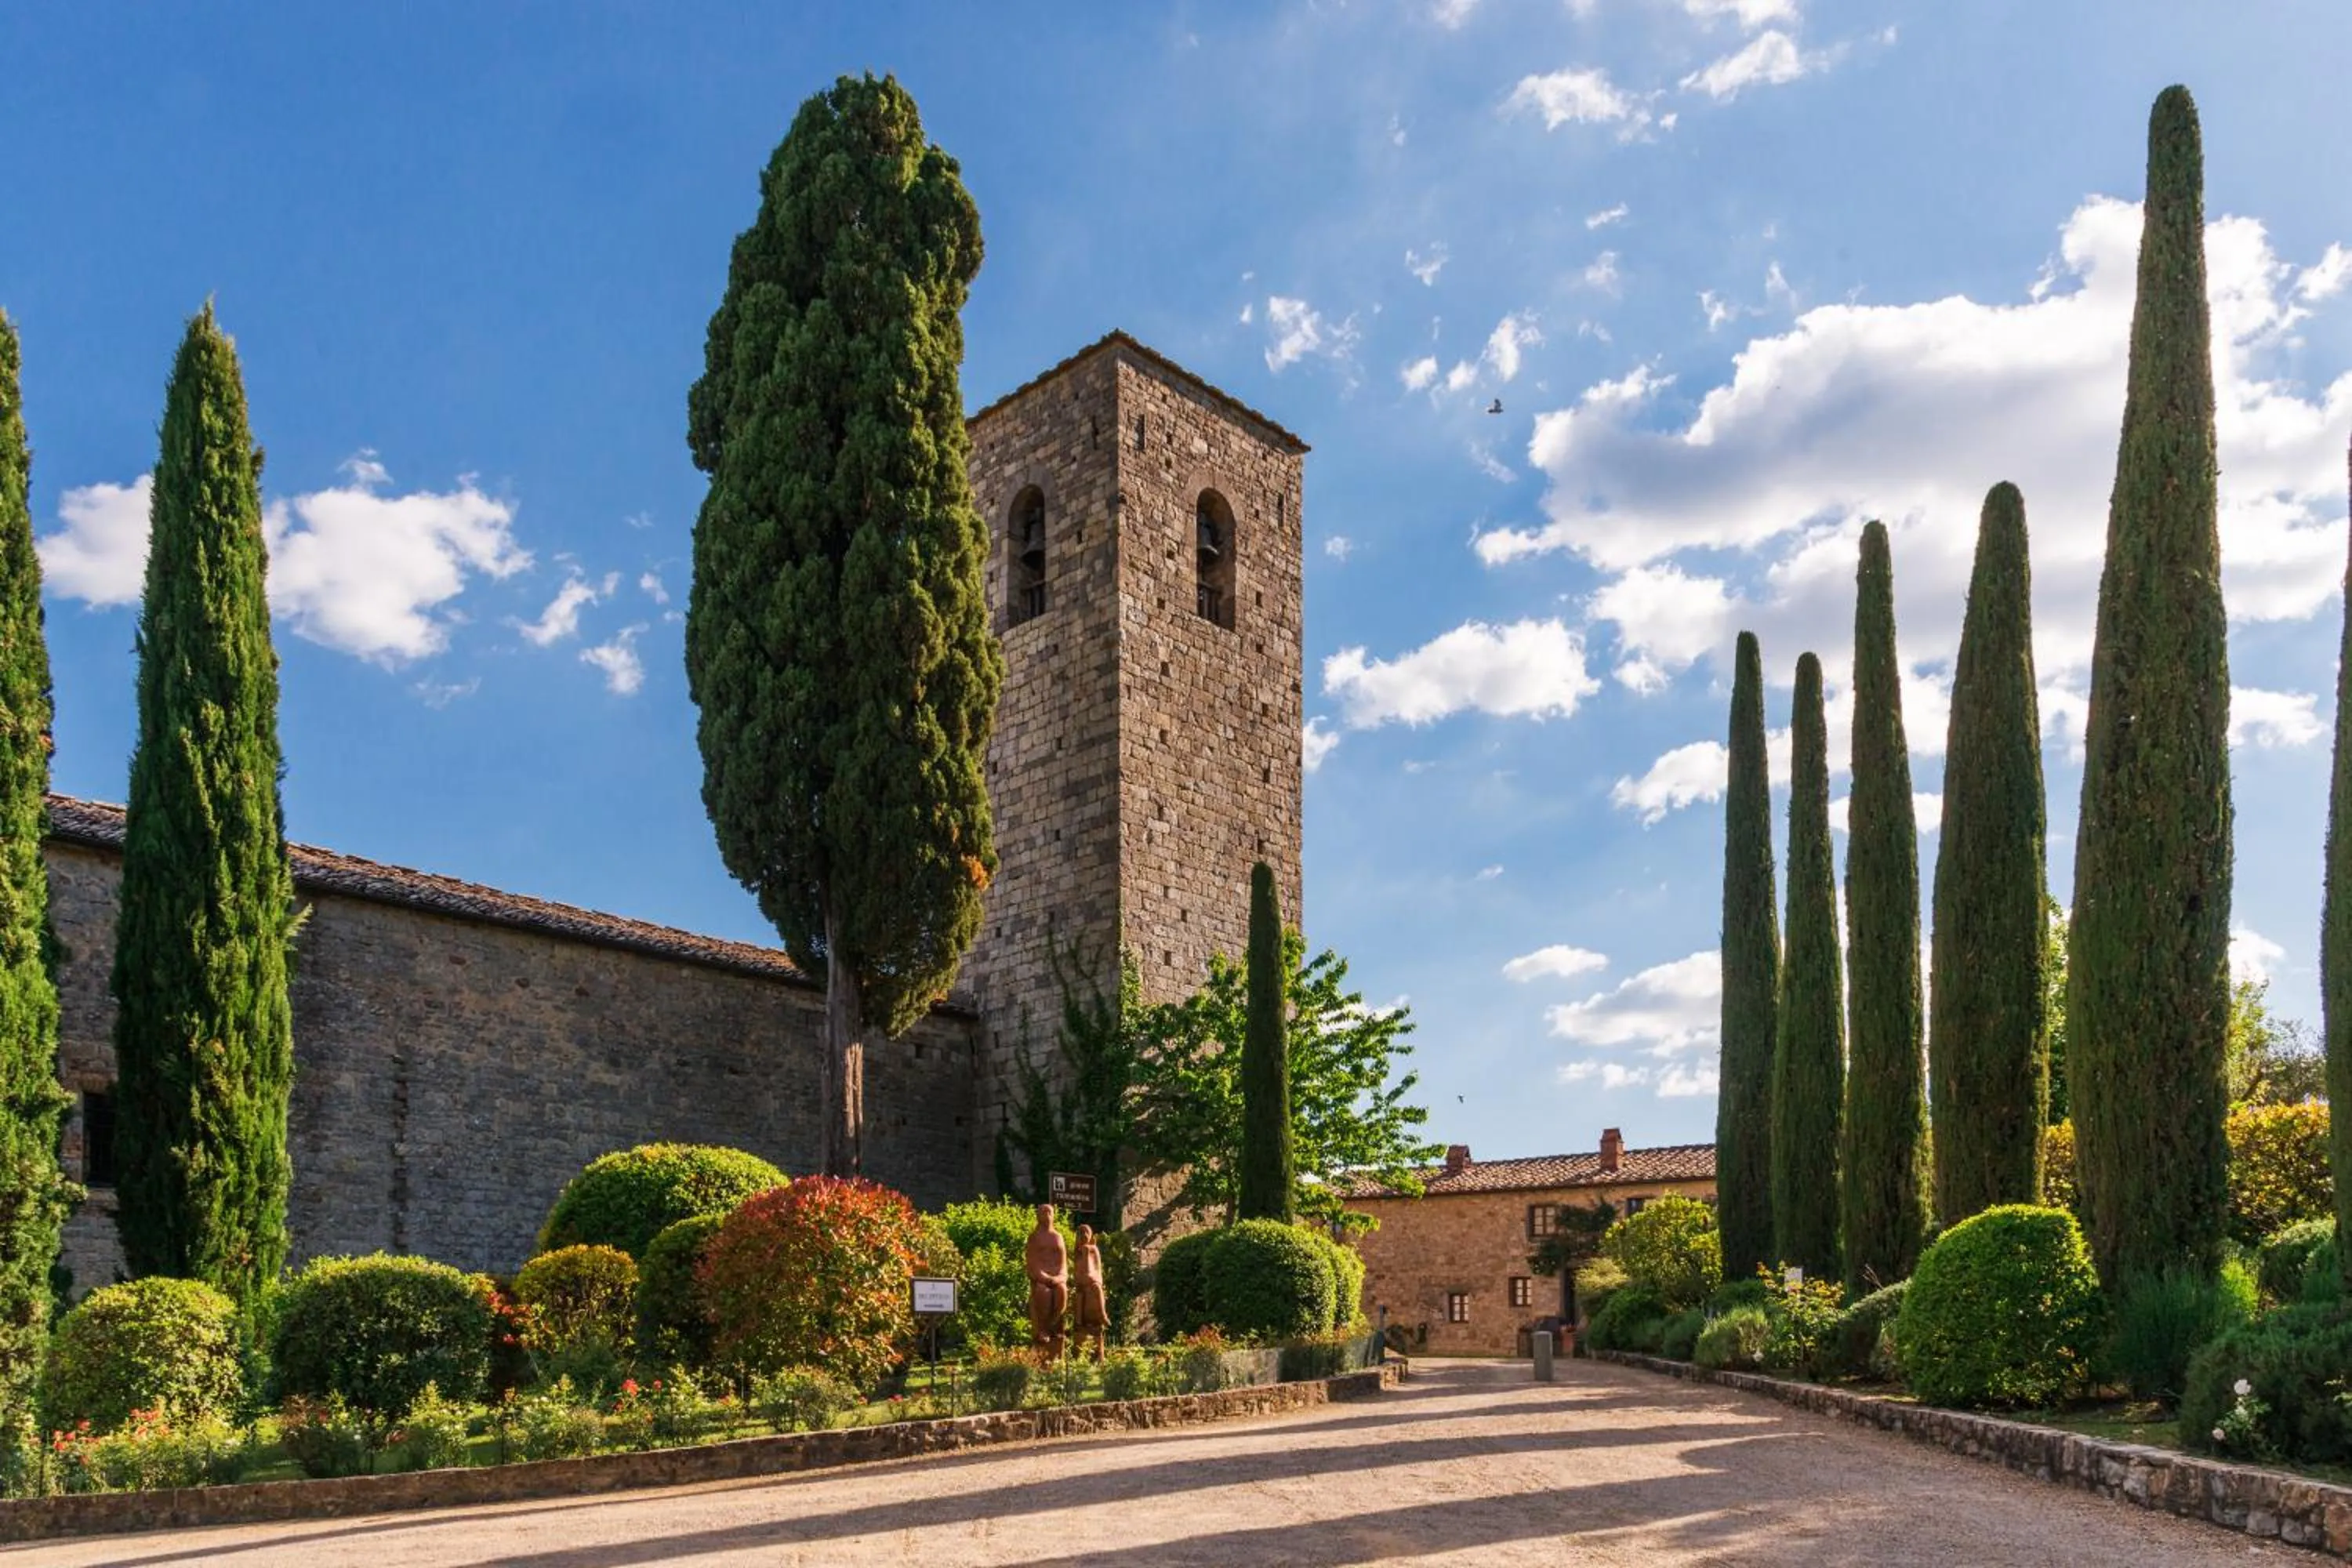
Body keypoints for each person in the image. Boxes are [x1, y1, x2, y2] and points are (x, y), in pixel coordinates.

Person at [1025, 1202, 1069, 1359]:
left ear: (1053, 1216)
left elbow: (1064, 1264)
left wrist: (1060, 1277)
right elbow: (1032, 1263)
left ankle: (1055, 1327)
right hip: (1041, 1279)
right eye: (1043, 1212)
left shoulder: (1058, 1237)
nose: (1046, 1215)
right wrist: (1044, 1277)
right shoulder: (1034, 1238)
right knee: (1042, 1292)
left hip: (1057, 1278)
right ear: (1038, 1216)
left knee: (1062, 1292)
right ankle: (1042, 1329)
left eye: (1049, 1212)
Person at [1072, 1222, 1110, 1363]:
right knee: (1079, 1295)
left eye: (1086, 1232)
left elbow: (1096, 1269)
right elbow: (1077, 1271)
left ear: (1091, 1235)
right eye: (1080, 1233)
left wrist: (1087, 1251)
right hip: (1082, 1283)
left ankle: (1102, 1315)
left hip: (1094, 1281)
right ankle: (1079, 1322)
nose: (1083, 1236)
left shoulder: (1093, 1249)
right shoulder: (1077, 1253)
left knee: (1097, 1289)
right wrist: (1080, 1280)